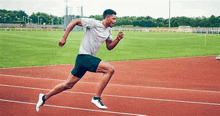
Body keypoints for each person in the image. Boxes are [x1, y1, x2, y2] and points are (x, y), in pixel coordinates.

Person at [36, 9, 124, 111]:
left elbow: (109, 46)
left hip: (84, 60)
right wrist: (64, 37)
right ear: (107, 17)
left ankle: (44, 97)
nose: (115, 21)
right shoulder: (94, 23)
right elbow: (75, 21)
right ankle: (97, 97)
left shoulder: (108, 30)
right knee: (109, 70)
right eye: (113, 18)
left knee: (68, 84)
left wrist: (118, 39)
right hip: (84, 56)